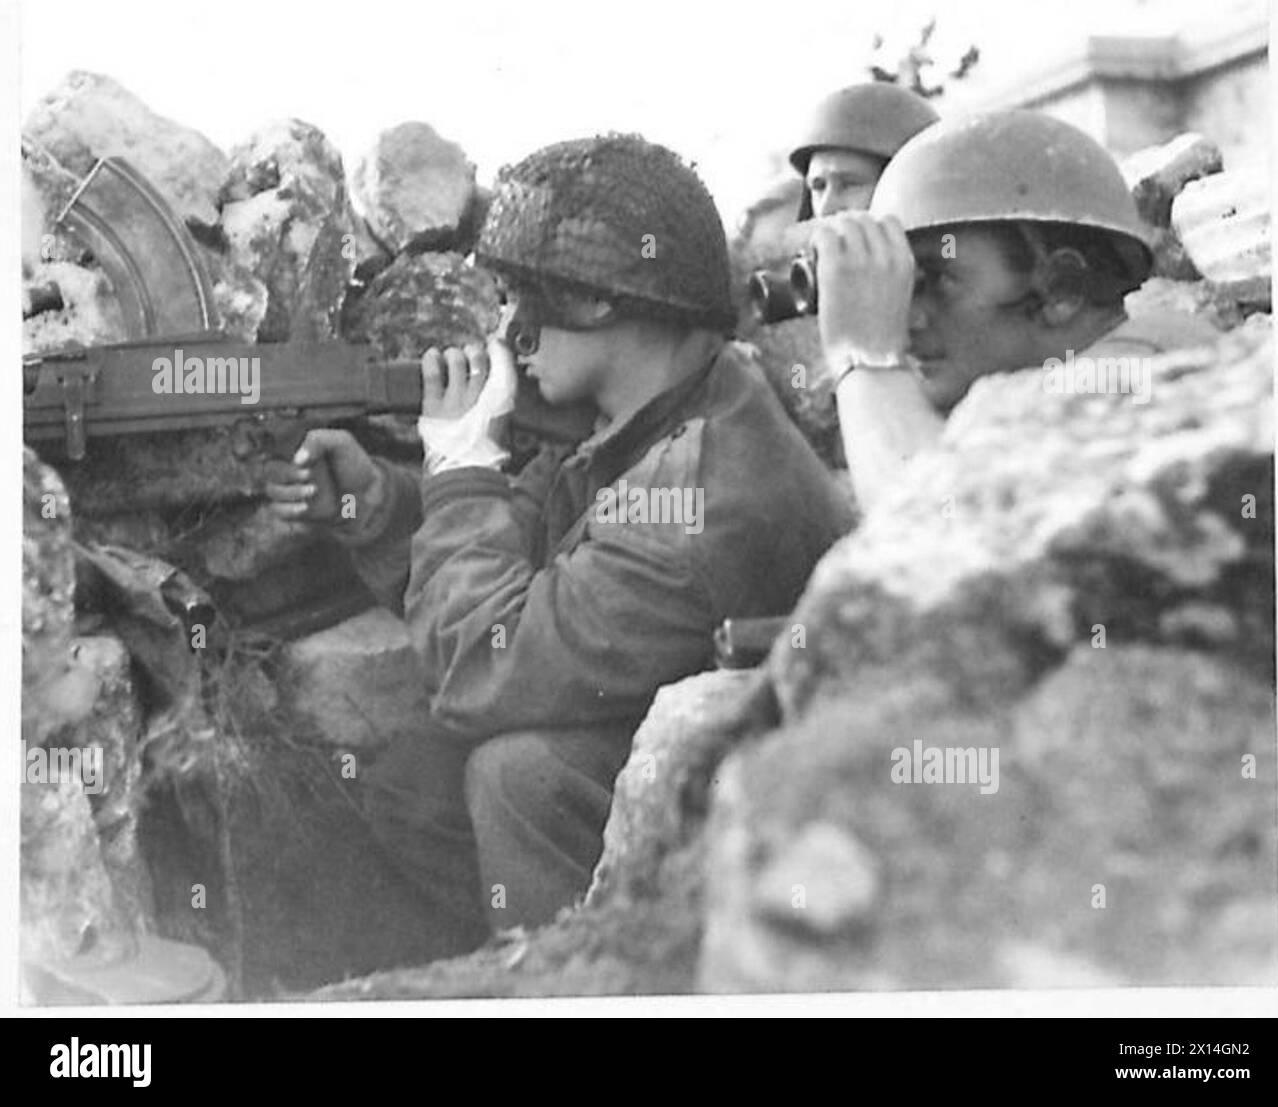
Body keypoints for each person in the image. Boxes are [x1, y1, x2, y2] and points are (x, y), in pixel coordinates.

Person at [265, 134, 854, 952]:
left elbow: (482, 662)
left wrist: (461, 462)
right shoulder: (648, 412)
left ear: (597, 302)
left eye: (518, 298)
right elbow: (520, 554)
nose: (506, 330)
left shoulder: (696, 491)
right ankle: (486, 970)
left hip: (786, 819)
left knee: (518, 777)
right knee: (411, 776)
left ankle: (571, 986)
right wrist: (379, 505)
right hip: (706, 746)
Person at [811, 109, 1223, 510]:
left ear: (1063, 289)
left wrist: (863, 355)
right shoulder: (1018, 399)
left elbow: (932, 523)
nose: (906, 318)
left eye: (933, 281)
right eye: (902, 288)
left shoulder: (1145, 367)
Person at [790, 82, 939, 220]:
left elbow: (949, 246)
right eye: (819, 187)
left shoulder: (949, 244)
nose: (825, 209)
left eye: (849, 184)